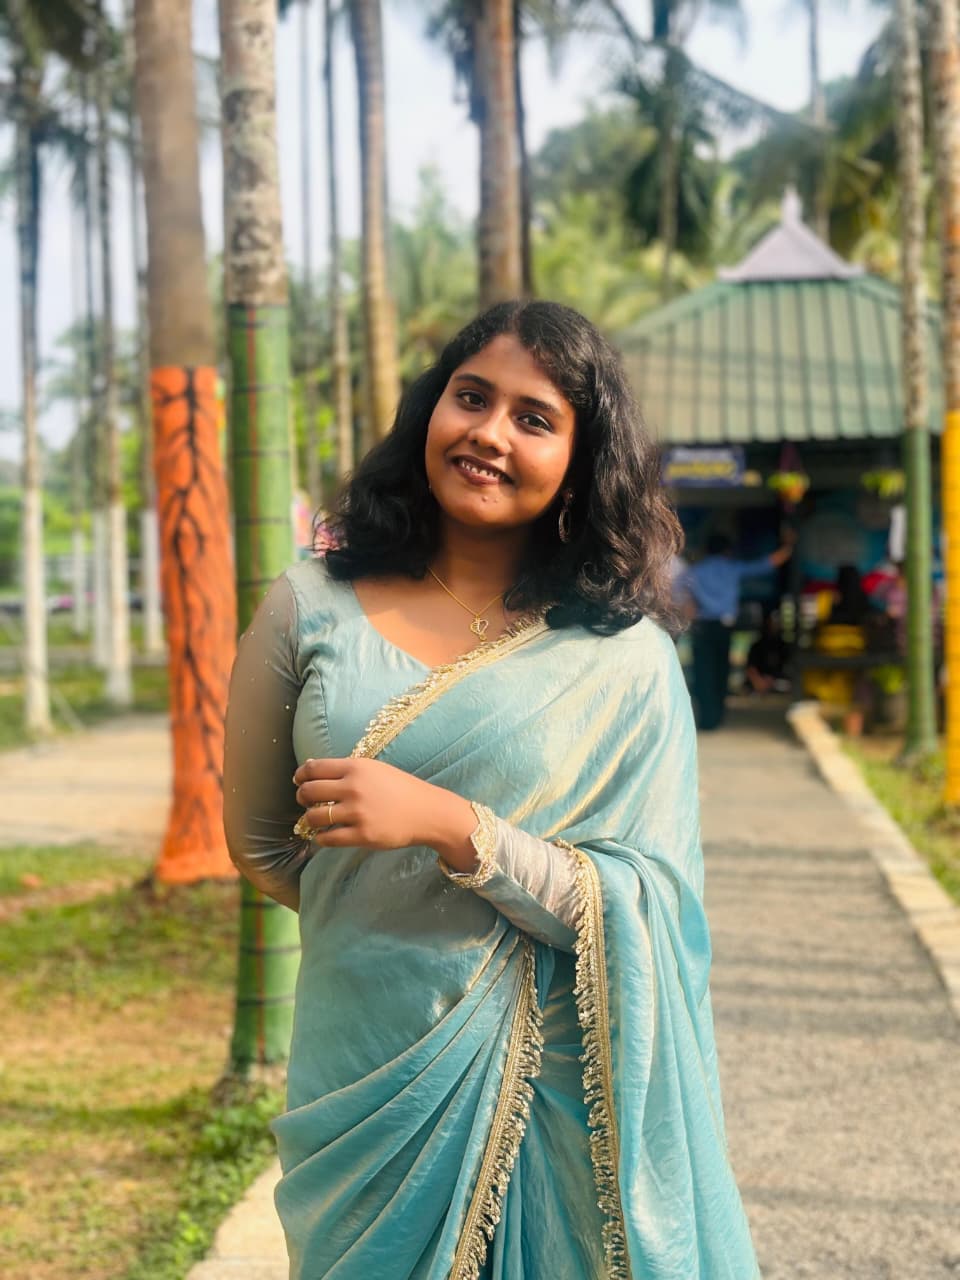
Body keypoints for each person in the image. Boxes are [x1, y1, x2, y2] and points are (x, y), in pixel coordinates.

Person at [223, 301, 759, 1280]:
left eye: (534, 418)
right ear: (431, 408)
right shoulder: (309, 605)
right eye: (471, 397)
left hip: (551, 1080)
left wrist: (454, 831)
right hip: (362, 1058)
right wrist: (383, 923)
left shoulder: (624, 659)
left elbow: (655, 905)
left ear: (582, 461)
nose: (489, 432)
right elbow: (262, 844)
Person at [682, 531, 795, 730]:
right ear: (727, 551)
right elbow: (767, 563)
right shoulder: (732, 568)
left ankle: (707, 718)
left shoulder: (695, 572)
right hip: (724, 627)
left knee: (702, 672)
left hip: (702, 627)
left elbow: (686, 601)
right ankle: (718, 715)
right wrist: (789, 546)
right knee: (721, 670)